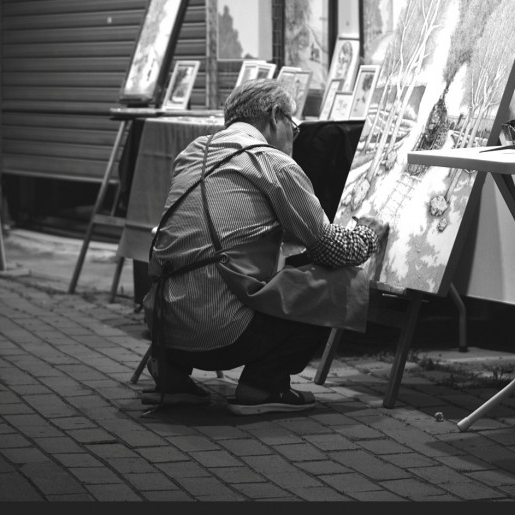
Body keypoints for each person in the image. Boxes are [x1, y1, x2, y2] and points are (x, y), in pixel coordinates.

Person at [142, 78, 378, 415]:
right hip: (222, 336)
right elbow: (329, 248)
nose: (293, 138)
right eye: (293, 127)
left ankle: (171, 377)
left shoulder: (192, 153)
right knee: (341, 281)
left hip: (164, 327)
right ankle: (264, 385)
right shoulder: (272, 162)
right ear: (275, 114)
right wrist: (369, 235)